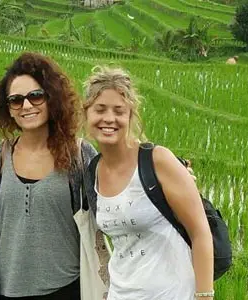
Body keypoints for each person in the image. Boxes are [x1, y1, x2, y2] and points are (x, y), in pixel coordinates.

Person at [0, 52, 98, 300]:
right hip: (9, 291)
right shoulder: (2, 155)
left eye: (35, 96)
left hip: (65, 289)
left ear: (52, 98)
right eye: (16, 100)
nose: (26, 106)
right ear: (8, 108)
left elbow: (112, 211)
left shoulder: (78, 153)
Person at [81, 66, 214, 300]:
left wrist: (204, 296)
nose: (109, 118)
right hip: (120, 294)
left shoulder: (157, 161)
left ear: (130, 116)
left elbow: (200, 232)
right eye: (100, 109)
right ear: (87, 114)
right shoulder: (94, 171)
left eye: (119, 111)